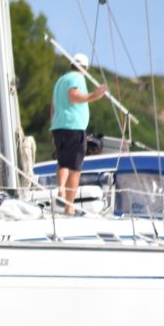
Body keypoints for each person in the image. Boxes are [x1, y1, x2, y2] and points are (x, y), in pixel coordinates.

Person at [50, 53, 107, 215]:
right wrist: (93, 96)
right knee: (75, 168)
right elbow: (73, 95)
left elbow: (52, 106)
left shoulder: (60, 81)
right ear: (85, 68)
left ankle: (61, 189)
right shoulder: (77, 78)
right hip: (74, 127)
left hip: (59, 127)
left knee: (63, 163)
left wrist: (52, 126)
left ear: (71, 64)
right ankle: (69, 207)